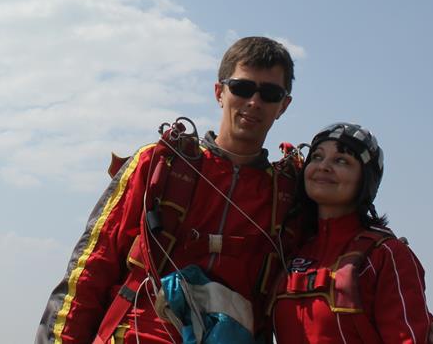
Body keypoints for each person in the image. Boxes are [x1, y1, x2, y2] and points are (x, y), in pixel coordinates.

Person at [35, 36, 300, 344]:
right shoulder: (158, 165)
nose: (254, 102)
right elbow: (91, 268)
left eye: (270, 93)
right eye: (242, 88)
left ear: (283, 106)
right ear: (219, 92)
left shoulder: (289, 195)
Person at [268, 123, 433, 343]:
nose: (324, 166)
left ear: (366, 180)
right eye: (317, 157)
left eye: (342, 160)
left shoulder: (385, 255)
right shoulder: (289, 250)